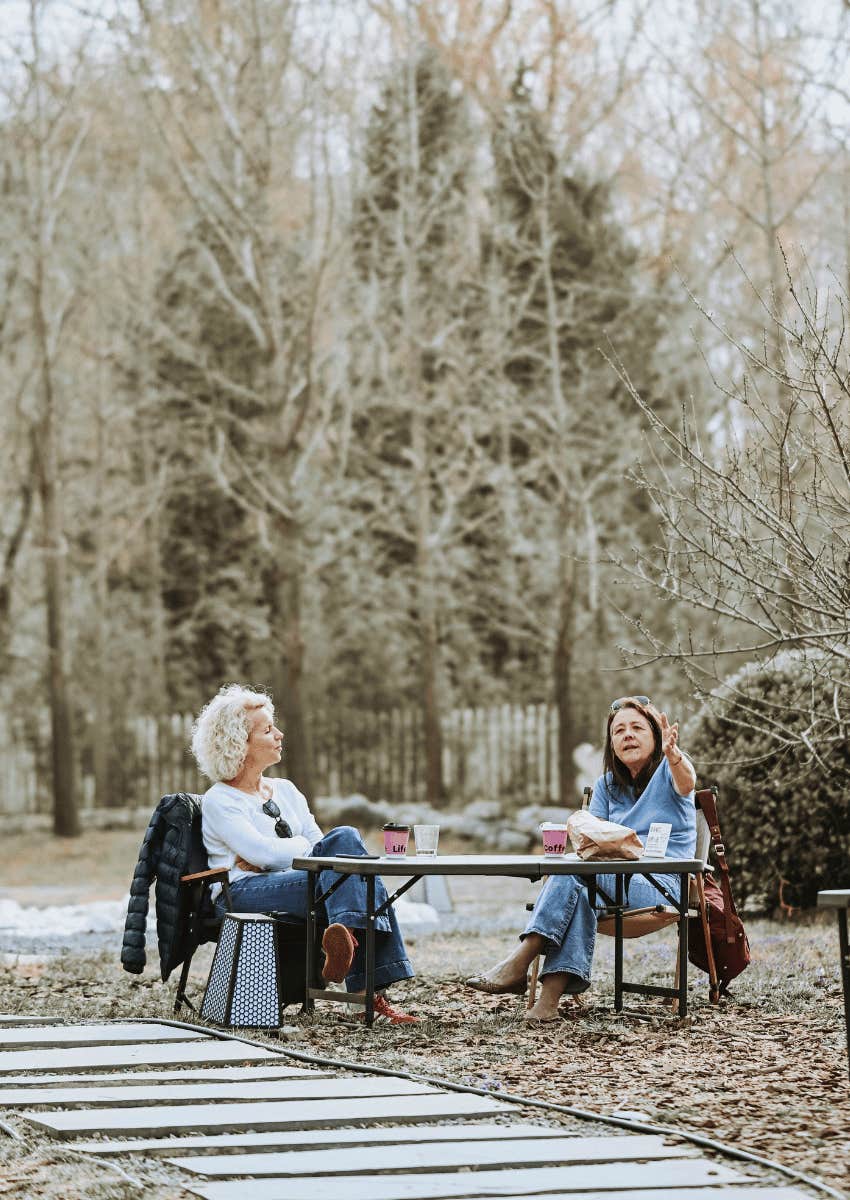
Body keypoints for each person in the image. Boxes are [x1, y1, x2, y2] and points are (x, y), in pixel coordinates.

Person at [191, 683, 417, 1024]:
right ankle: (361, 989)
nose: (280, 735)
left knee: (346, 841)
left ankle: (346, 937)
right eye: (268, 730)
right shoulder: (221, 799)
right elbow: (278, 853)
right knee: (354, 869)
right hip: (240, 892)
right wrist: (291, 851)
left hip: (294, 882)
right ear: (239, 743)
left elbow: (300, 850)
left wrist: (277, 855)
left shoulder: (287, 791)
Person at [467, 696, 697, 1022]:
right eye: (619, 731)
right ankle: (546, 1005)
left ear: (656, 736)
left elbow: (687, 783)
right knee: (576, 882)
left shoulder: (670, 770)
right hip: (609, 882)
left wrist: (674, 756)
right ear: (611, 744)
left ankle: (519, 962)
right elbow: (590, 845)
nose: (627, 735)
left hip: (660, 883)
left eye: (637, 728)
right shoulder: (605, 786)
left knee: (575, 879)